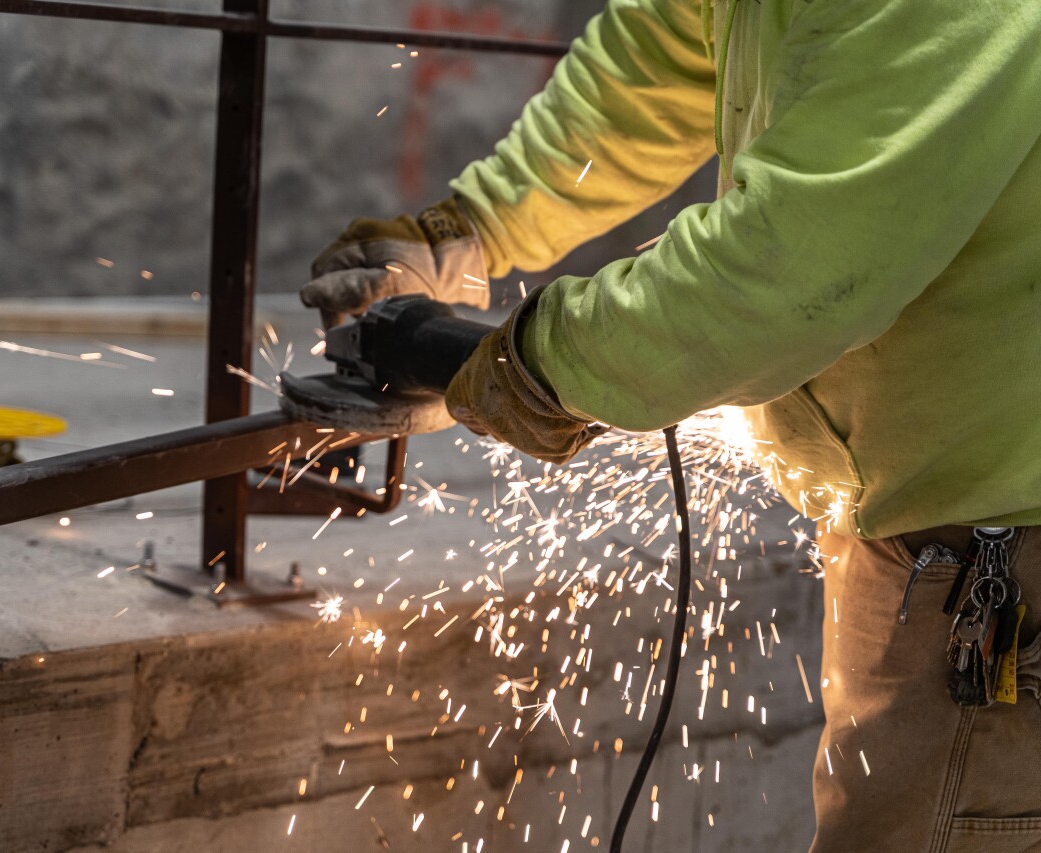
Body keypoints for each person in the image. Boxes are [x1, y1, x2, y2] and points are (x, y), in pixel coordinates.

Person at [302, 0, 1041, 849]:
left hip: (1009, 543)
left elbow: (791, 268)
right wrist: (474, 227)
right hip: (936, 529)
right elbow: (660, 59)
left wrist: (543, 362)